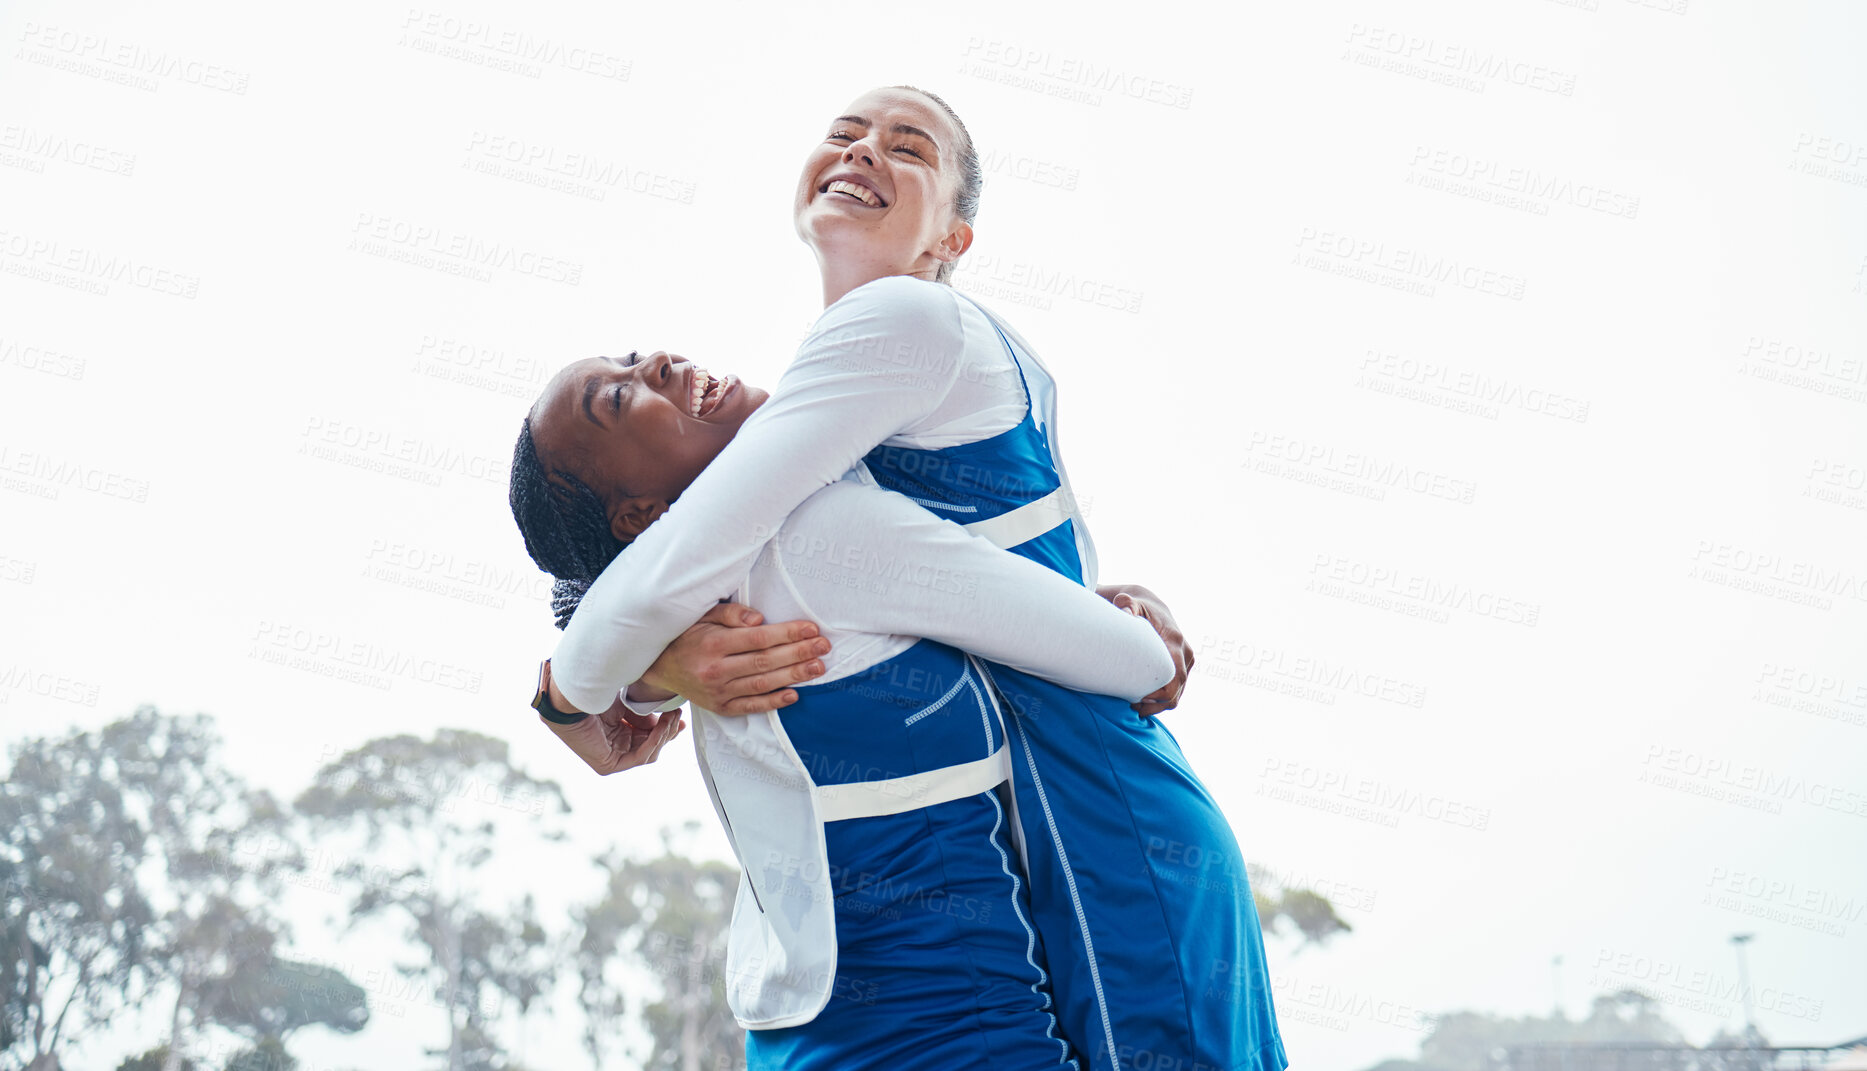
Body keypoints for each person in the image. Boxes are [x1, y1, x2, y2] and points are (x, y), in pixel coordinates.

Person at [539, 86, 1286, 1071]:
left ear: (953, 237)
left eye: (907, 148)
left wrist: (575, 696)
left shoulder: (899, 323)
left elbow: (679, 562)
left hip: (1099, 813)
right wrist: (654, 669)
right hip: (1050, 826)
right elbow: (686, 557)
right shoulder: (828, 399)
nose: (863, 152)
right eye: (843, 133)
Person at [512, 350, 1180, 1067]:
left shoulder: (694, 612)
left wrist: (616, 684)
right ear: (638, 513)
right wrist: (1140, 618)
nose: (660, 364)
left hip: (797, 1036)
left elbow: (609, 637)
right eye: (619, 395)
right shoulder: (822, 534)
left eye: (635, 357)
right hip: (946, 1029)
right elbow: (1138, 663)